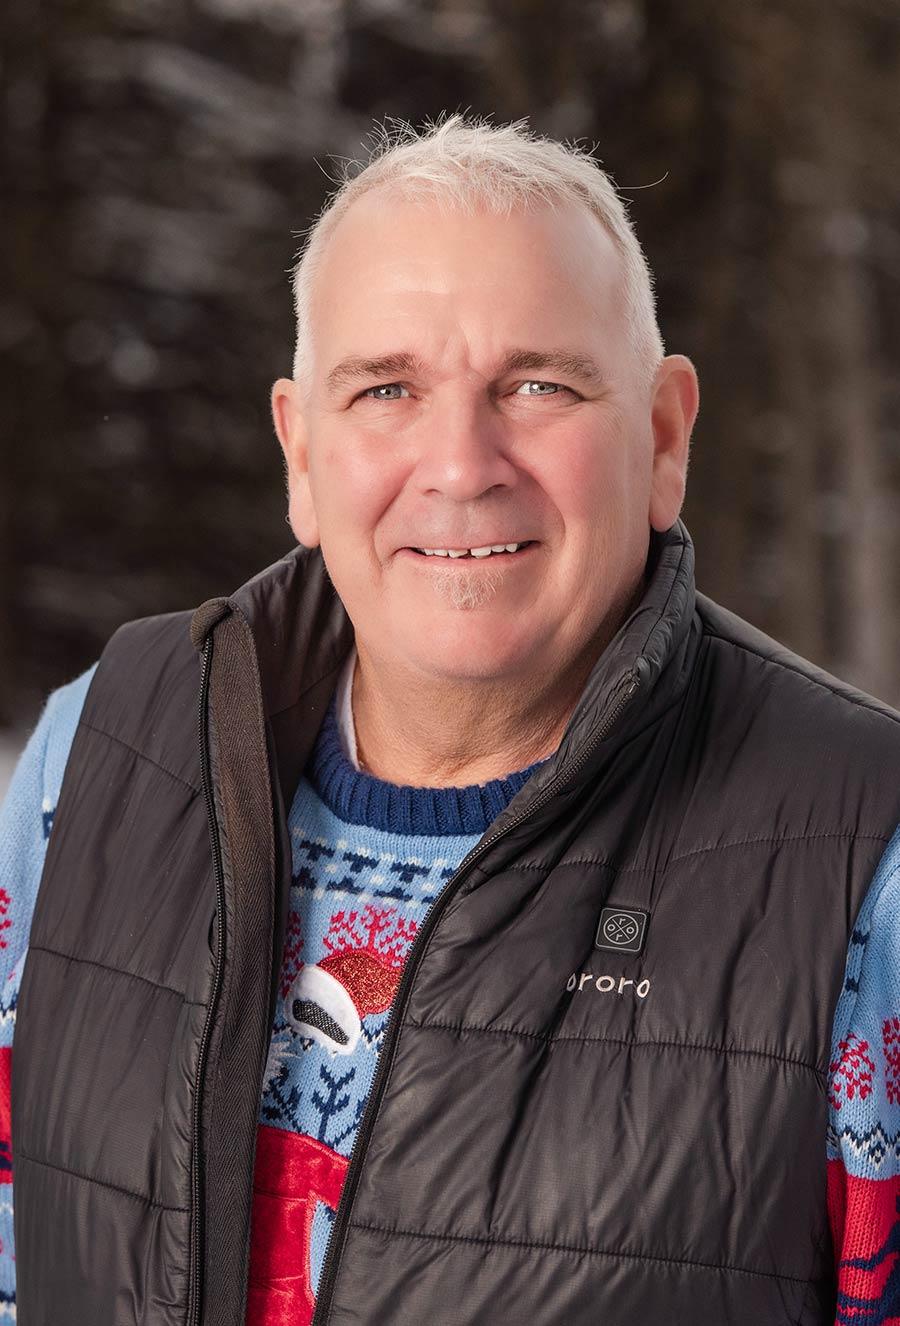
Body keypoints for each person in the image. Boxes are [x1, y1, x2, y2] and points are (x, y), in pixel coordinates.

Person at [1, 112, 900, 1326]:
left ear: (664, 433)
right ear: (301, 455)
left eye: (537, 384)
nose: (461, 464)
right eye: (386, 388)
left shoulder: (864, 861)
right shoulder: (93, 758)